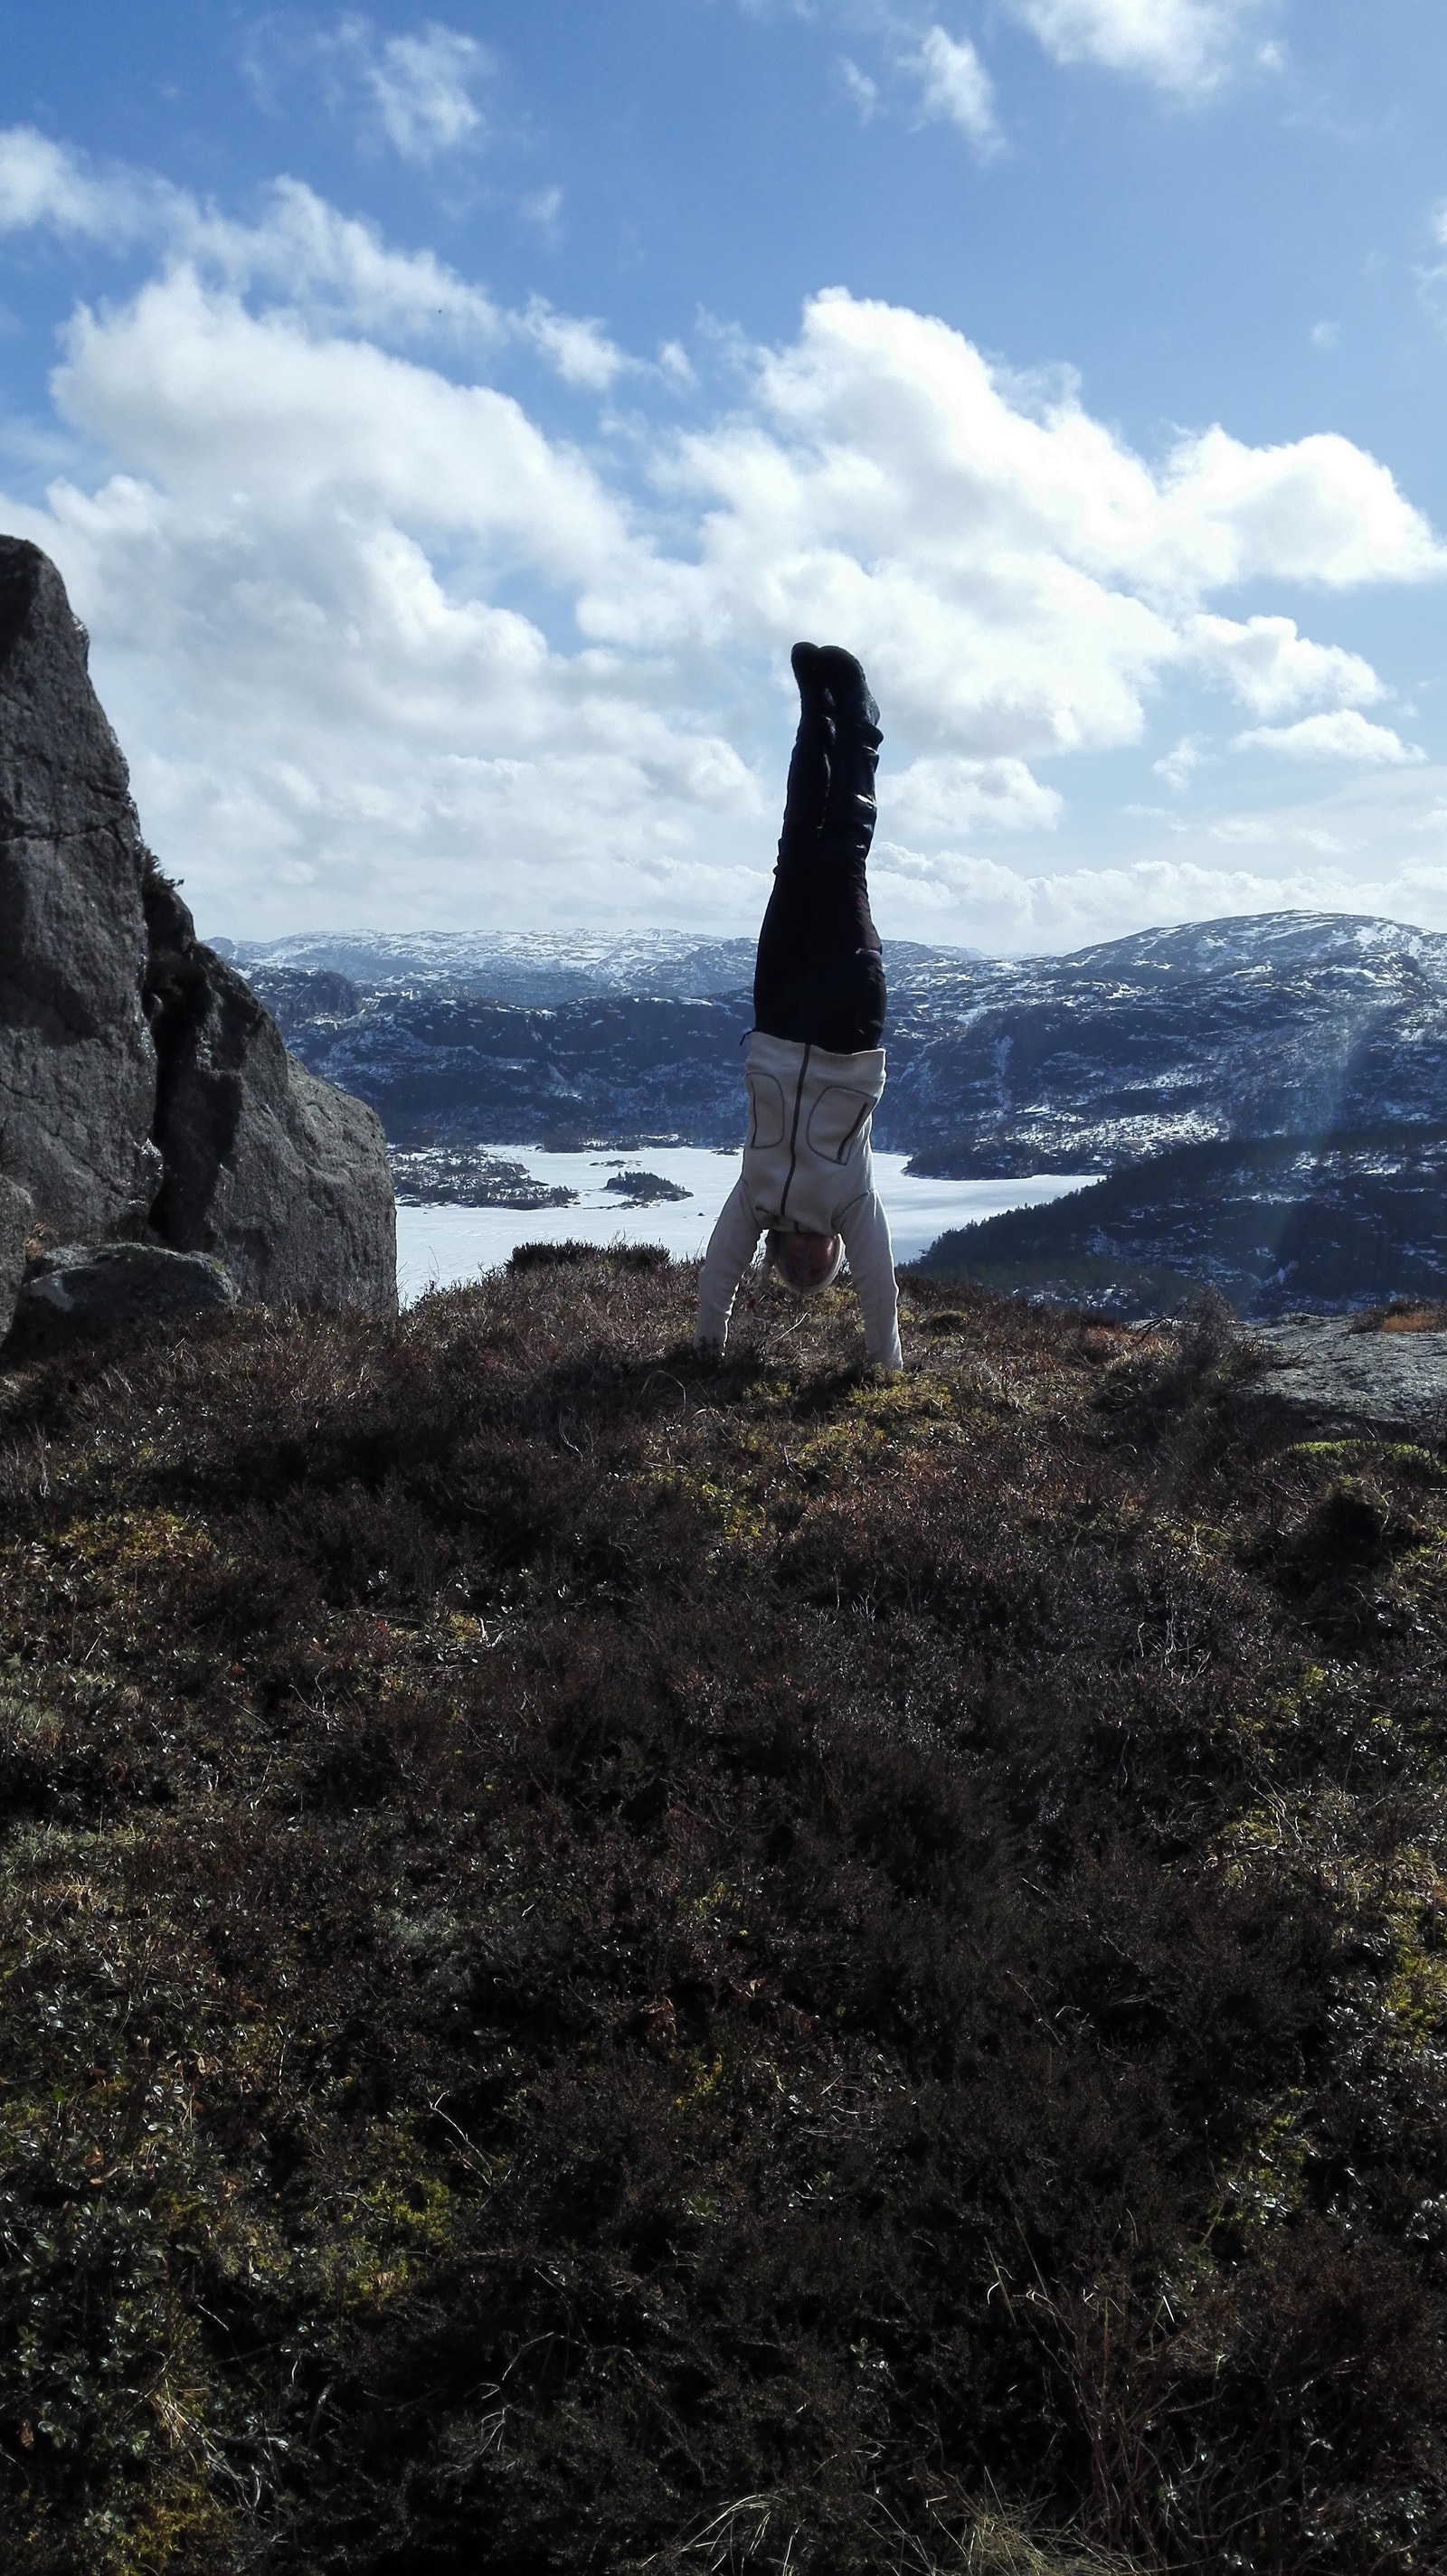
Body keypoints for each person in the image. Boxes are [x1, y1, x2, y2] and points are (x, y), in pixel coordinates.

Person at [693, 642, 903, 1371]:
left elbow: (720, 1269)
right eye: (825, 1269)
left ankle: (817, 714)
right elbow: (880, 1286)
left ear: (781, 1253)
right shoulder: (851, 1201)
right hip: (848, 1023)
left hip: (779, 1023)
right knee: (840, 853)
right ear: (834, 1248)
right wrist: (885, 1364)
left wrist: (704, 1349)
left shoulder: (755, 1198)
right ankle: (860, 723)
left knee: (793, 853)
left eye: (799, 1271)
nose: (813, 1263)